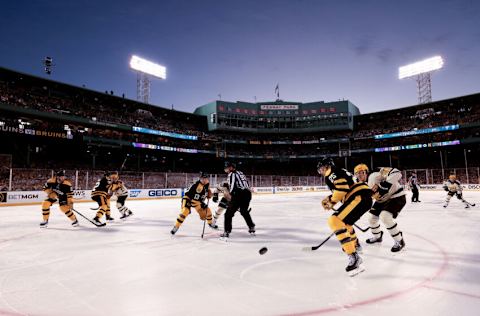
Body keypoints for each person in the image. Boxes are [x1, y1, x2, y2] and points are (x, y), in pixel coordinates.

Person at [318, 158, 372, 276]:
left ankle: (354, 257)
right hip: (361, 196)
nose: (321, 171)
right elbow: (342, 190)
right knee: (346, 224)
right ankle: (355, 246)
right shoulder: (338, 172)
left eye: (322, 168)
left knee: (334, 220)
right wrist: (330, 199)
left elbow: (342, 189)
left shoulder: (331, 173)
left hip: (358, 196)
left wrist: (331, 201)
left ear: (327, 166)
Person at [355, 164, 406, 252]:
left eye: (361, 172)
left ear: (366, 172)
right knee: (371, 218)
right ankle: (377, 237)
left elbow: (397, 173)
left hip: (396, 196)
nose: (359, 175)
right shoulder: (360, 184)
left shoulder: (375, 173)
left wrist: (385, 185)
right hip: (382, 200)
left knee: (385, 217)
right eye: (357, 173)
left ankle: (399, 240)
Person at [220, 162, 255, 239]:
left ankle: (227, 231)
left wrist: (231, 197)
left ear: (231, 168)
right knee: (244, 211)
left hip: (238, 194)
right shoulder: (240, 172)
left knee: (228, 214)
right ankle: (251, 226)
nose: (225, 168)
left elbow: (232, 187)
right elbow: (243, 183)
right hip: (247, 194)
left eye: (227, 167)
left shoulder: (231, 174)